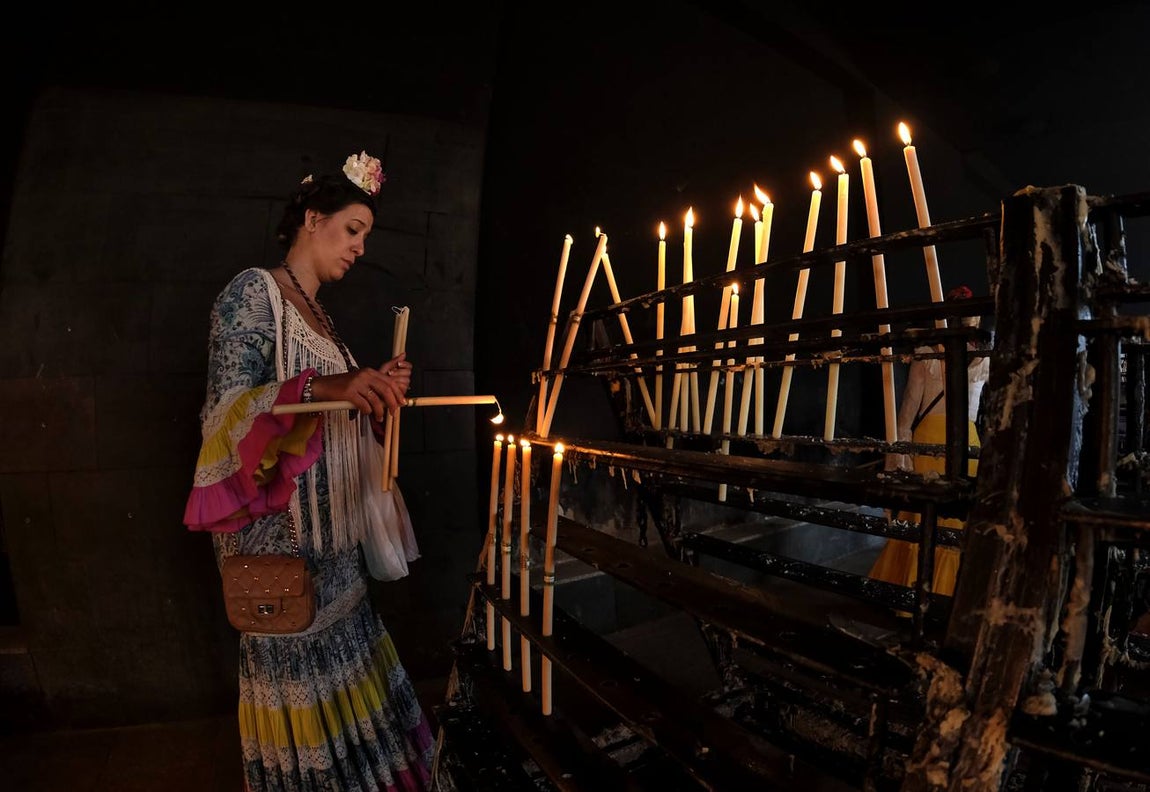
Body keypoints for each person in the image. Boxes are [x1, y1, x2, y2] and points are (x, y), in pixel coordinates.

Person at [183, 151, 435, 791]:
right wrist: (331, 384)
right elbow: (223, 417)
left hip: (337, 552)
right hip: (281, 558)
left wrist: (375, 396)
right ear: (313, 218)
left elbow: (332, 430)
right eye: (352, 229)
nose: (358, 247)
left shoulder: (325, 323)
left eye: (365, 237)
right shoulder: (253, 292)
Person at [869, 285, 990, 600]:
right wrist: (900, 458)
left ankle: (929, 595)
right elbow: (907, 416)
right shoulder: (966, 359)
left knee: (940, 519)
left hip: (955, 444)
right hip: (956, 444)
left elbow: (906, 415)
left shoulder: (980, 360)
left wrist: (900, 455)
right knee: (942, 517)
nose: (970, 320)